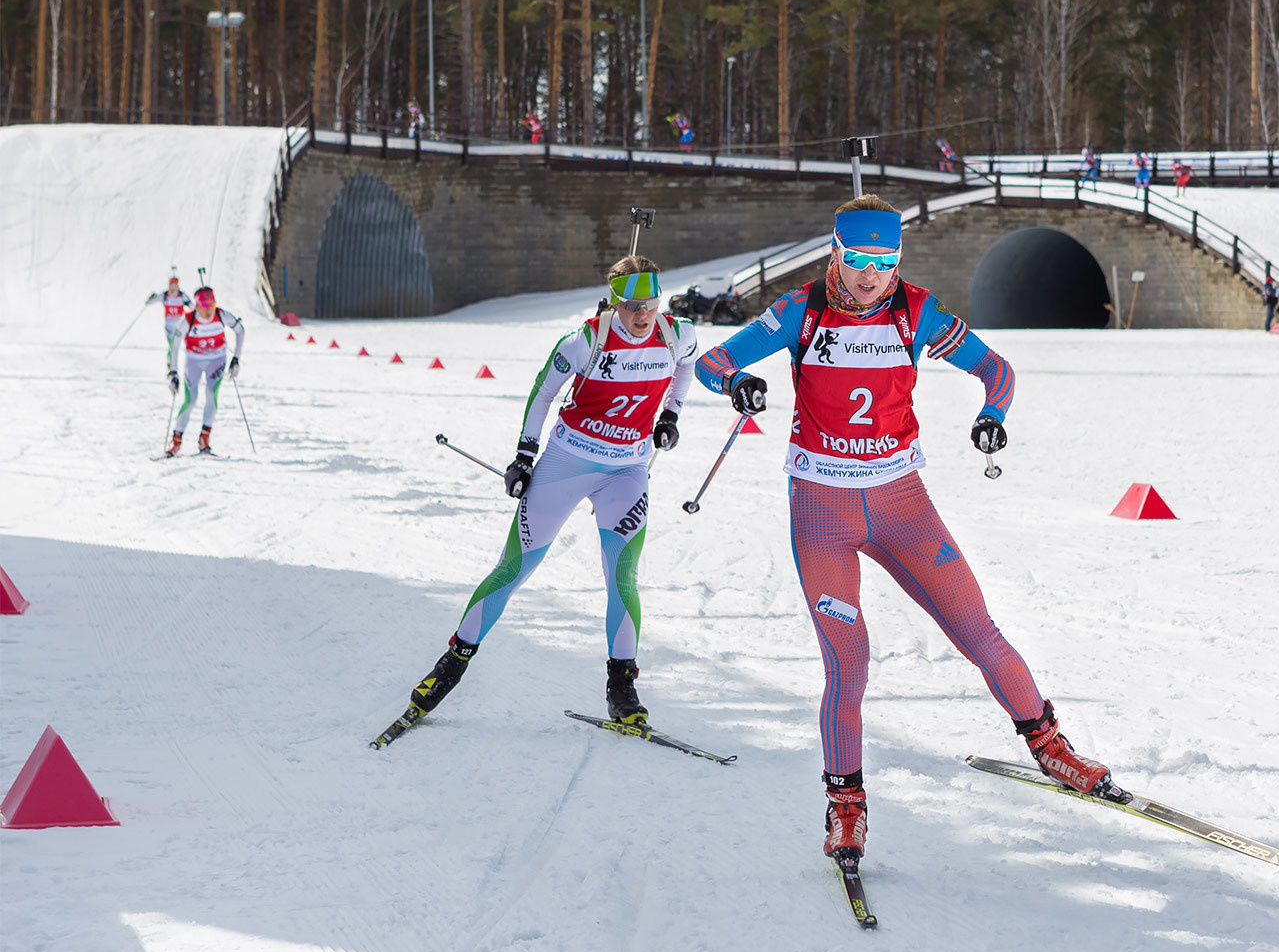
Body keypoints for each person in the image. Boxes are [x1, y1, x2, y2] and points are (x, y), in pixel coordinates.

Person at [695, 195, 1121, 864]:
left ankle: (1052, 748)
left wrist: (991, 412)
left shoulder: (916, 311)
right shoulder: (800, 310)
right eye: (857, 260)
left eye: (883, 262)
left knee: (979, 629)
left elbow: (995, 369)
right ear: (834, 252)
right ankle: (846, 804)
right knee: (849, 662)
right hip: (822, 511)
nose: (868, 277)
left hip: (902, 503)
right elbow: (712, 361)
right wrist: (738, 380)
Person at [389, 256, 699, 730]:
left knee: (623, 575)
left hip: (628, 469)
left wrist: (670, 415)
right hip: (567, 463)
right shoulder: (586, 340)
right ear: (616, 303)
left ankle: (622, 689)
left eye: (651, 304)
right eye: (634, 305)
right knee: (514, 569)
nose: (644, 315)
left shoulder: (677, 334)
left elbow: (687, 367)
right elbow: (543, 392)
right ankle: (448, 668)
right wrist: (523, 457)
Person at [167, 286, 244, 456]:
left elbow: (240, 330)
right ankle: (176, 441)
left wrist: (236, 358)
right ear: (197, 306)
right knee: (191, 399)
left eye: (212, 306)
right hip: (194, 361)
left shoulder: (221, 315)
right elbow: (175, 346)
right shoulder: (188, 320)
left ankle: (204, 439)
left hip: (216, 360)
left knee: (211, 394)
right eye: (205, 306)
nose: (209, 311)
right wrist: (172, 372)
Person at [144, 273, 194, 376]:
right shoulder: (165, 295)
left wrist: (189, 305)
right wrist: (151, 298)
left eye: (175, 286)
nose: (173, 289)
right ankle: (170, 365)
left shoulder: (181, 295)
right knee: (172, 345)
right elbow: (149, 303)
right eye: (171, 286)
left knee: (184, 344)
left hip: (180, 325)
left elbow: (193, 307)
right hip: (169, 326)